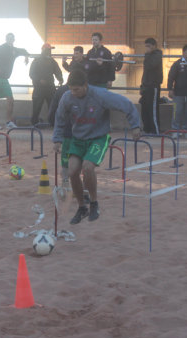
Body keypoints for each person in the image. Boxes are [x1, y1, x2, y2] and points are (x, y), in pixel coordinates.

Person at [52, 70, 141, 224]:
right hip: (78, 139)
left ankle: (94, 203)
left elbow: (126, 104)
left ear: (85, 85)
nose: (73, 93)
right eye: (71, 89)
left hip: (98, 138)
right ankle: (82, 207)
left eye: (77, 89)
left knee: (87, 167)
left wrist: (135, 126)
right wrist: (57, 139)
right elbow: (59, 118)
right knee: (72, 171)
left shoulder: (100, 95)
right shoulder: (67, 97)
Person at [0, 33, 30, 130]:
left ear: (14, 39)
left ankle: (8, 121)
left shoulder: (14, 50)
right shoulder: (0, 48)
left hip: (5, 78)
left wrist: (26, 56)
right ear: (6, 39)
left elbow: (24, 50)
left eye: (11, 38)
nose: (10, 40)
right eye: (8, 38)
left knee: (10, 99)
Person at [28, 43, 63, 126]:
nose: (49, 51)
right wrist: (39, 80)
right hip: (39, 88)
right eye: (47, 50)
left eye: (50, 50)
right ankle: (34, 124)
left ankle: (53, 123)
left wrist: (60, 79)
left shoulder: (52, 61)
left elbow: (57, 71)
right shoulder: (36, 61)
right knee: (36, 107)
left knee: (53, 106)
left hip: (50, 87)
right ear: (43, 50)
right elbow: (31, 74)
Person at [139, 38, 163, 134]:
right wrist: (142, 85)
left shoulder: (157, 54)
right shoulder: (147, 56)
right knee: (144, 108)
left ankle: (155, 130)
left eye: (149, 46)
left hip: (153, 86)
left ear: (154, 46)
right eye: (146, 46)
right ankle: (147, 128)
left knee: (152, 109)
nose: (147, 48)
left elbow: (152, 65)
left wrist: (148, 55)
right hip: (146, 85)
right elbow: (145, 71)